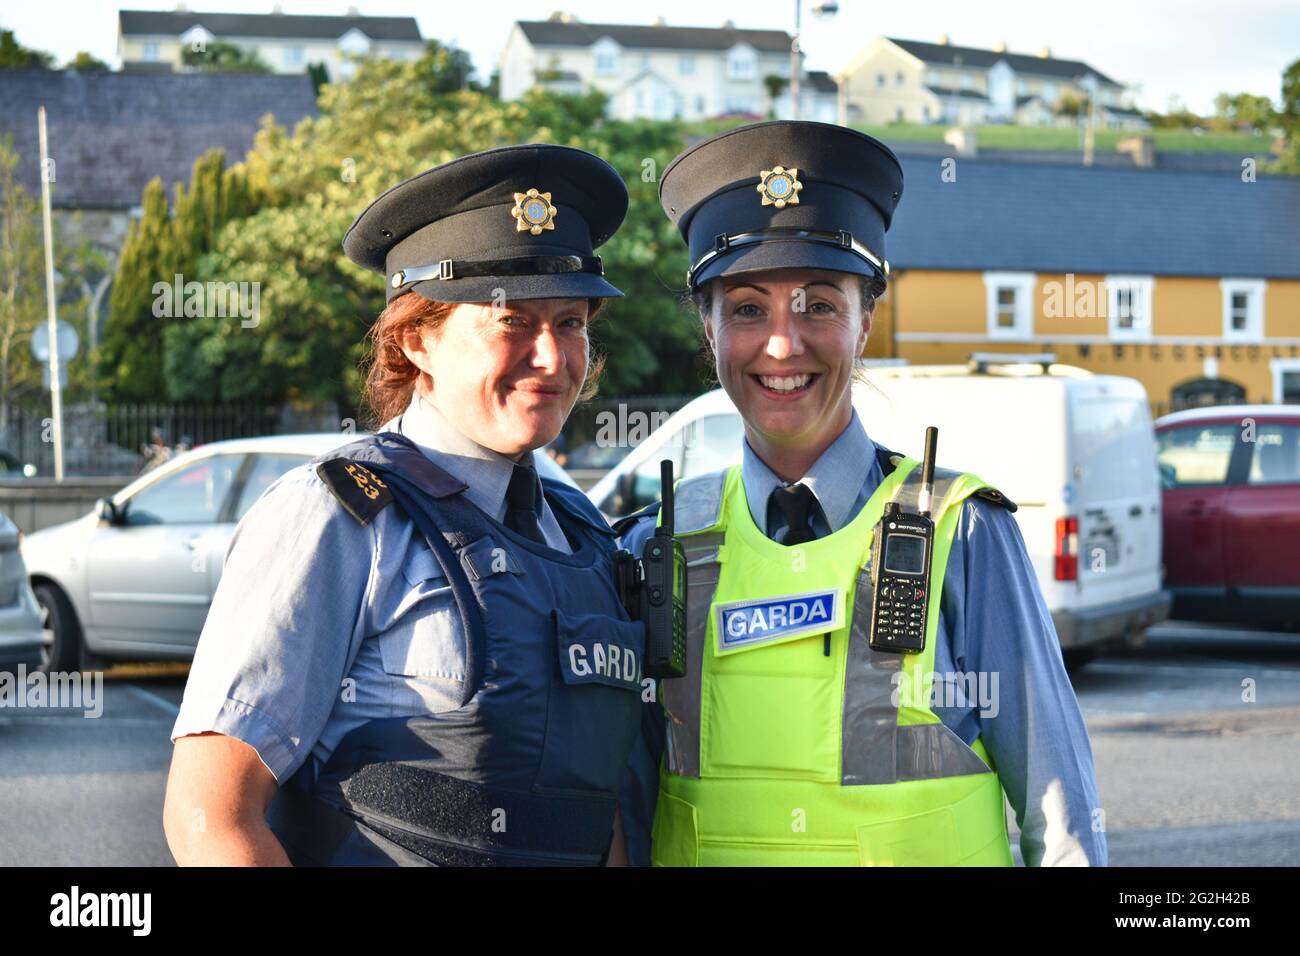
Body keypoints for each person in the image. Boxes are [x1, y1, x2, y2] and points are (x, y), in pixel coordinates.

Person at [617, 121, 1107, 866]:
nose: (784, 343)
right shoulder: (655, 544)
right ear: (709, 330)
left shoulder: (961, 532)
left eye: (820, 303)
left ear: (866, 320)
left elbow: (1061, 813)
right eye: (748, 308)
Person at [164, 143, 646, 866]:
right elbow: (209, 815)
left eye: (571, 322)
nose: (552, 356)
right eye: (512, 321)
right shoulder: (338, 517)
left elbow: (596, 813)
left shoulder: (583, 533)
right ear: (417, 337)